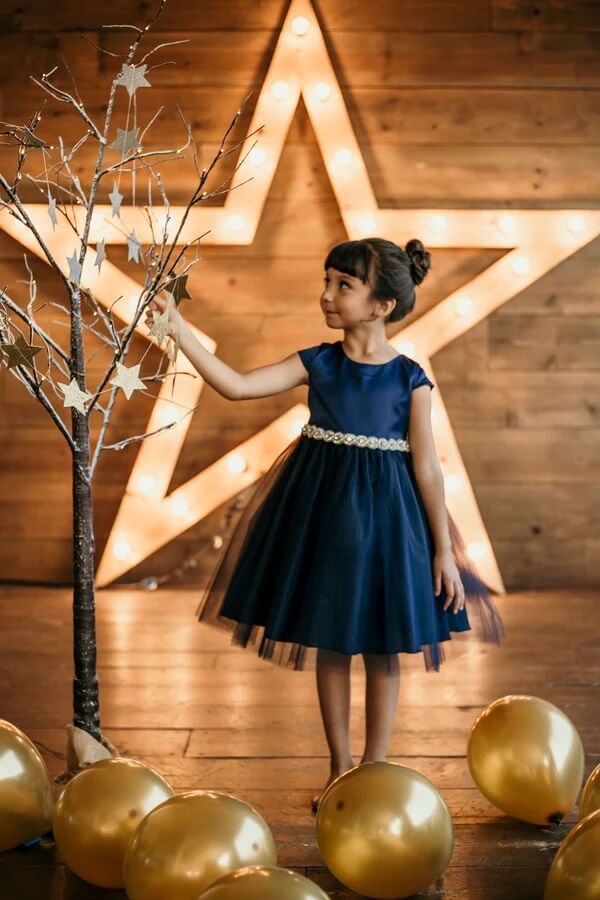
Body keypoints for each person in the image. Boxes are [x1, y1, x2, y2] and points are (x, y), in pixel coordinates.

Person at [145, 237, 505, 814]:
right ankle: (340, 769)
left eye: (344, 285)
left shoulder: (410, 378)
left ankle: (376, 768)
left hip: (389, 525)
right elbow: (236, 385)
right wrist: (176, 326)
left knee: (384, 645)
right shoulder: (319, 363)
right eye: (326, 280)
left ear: (381, 305)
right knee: (333, 639)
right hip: (322, 519)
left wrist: (443, 550)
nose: (326, 295)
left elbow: (428, 469)